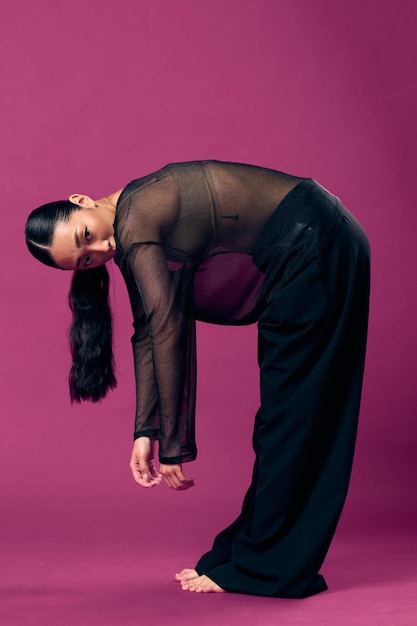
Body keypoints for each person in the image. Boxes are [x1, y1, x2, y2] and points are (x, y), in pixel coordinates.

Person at [25, 160, 370, 598]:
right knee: (282, 423)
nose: (103, 248)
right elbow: (148, 331)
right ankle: (247, 553)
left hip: (318, 246)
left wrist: (173, 444)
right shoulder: (131, 222)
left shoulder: (137, 217)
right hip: (302, 257)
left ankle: (269, 568)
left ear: (81, 202)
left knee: (296, 420)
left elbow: (168, 329)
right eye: (88, 259)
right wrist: (145, 433)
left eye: (86, 236)